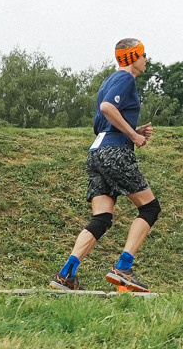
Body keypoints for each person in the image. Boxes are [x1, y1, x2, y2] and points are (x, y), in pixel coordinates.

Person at [54, 38, 161, 292]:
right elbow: (107, 107)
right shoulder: (125, 79)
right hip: (114, 153)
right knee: (150, 209)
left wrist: (132, 130)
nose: (146, 59)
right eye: (143, 54)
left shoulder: (109, 81)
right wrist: (133, 136)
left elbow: (101, 124)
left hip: (97, 152)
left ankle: (66, 274)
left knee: (101, 217)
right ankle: (123, 267)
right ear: (133, 57)